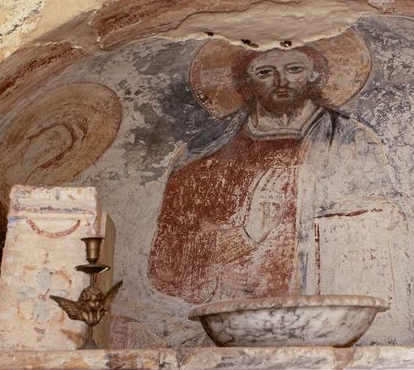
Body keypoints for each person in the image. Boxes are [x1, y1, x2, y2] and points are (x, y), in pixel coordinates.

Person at [148, 44, 394, 305]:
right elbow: (167, 262)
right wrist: (243, 237)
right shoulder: (203, 155)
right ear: (246, 82)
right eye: (265, 72)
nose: (281, 81)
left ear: (313, 75)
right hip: (231, 307)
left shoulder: (352, 142)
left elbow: (376, 236)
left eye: (294, 69)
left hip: (323, 307)